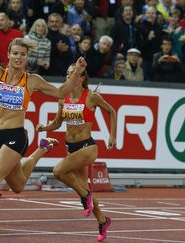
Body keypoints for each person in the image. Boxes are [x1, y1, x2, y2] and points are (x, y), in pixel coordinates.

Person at [0, 22, 87, 242]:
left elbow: (61, 91)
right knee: (18, 186)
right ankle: (40, 152)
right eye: (15, 53)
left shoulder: (32, 81)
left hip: (15, 136)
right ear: (9, 54)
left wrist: (76, 73)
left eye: (23, 54)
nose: (19, 57)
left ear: (26, 58)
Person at [36, 65, 116, 241]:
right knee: (83, 189)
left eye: (73, 73)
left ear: (81, 78)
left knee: (58, 171)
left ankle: (85, 197)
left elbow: (111, 111)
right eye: (67, 73)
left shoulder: (91, 97)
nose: (68, 76)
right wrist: (45, 127)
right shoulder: (62, 98)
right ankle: (103, 220)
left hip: (87, 146)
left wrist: (112, 135)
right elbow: (57, 123)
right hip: (70, 147)